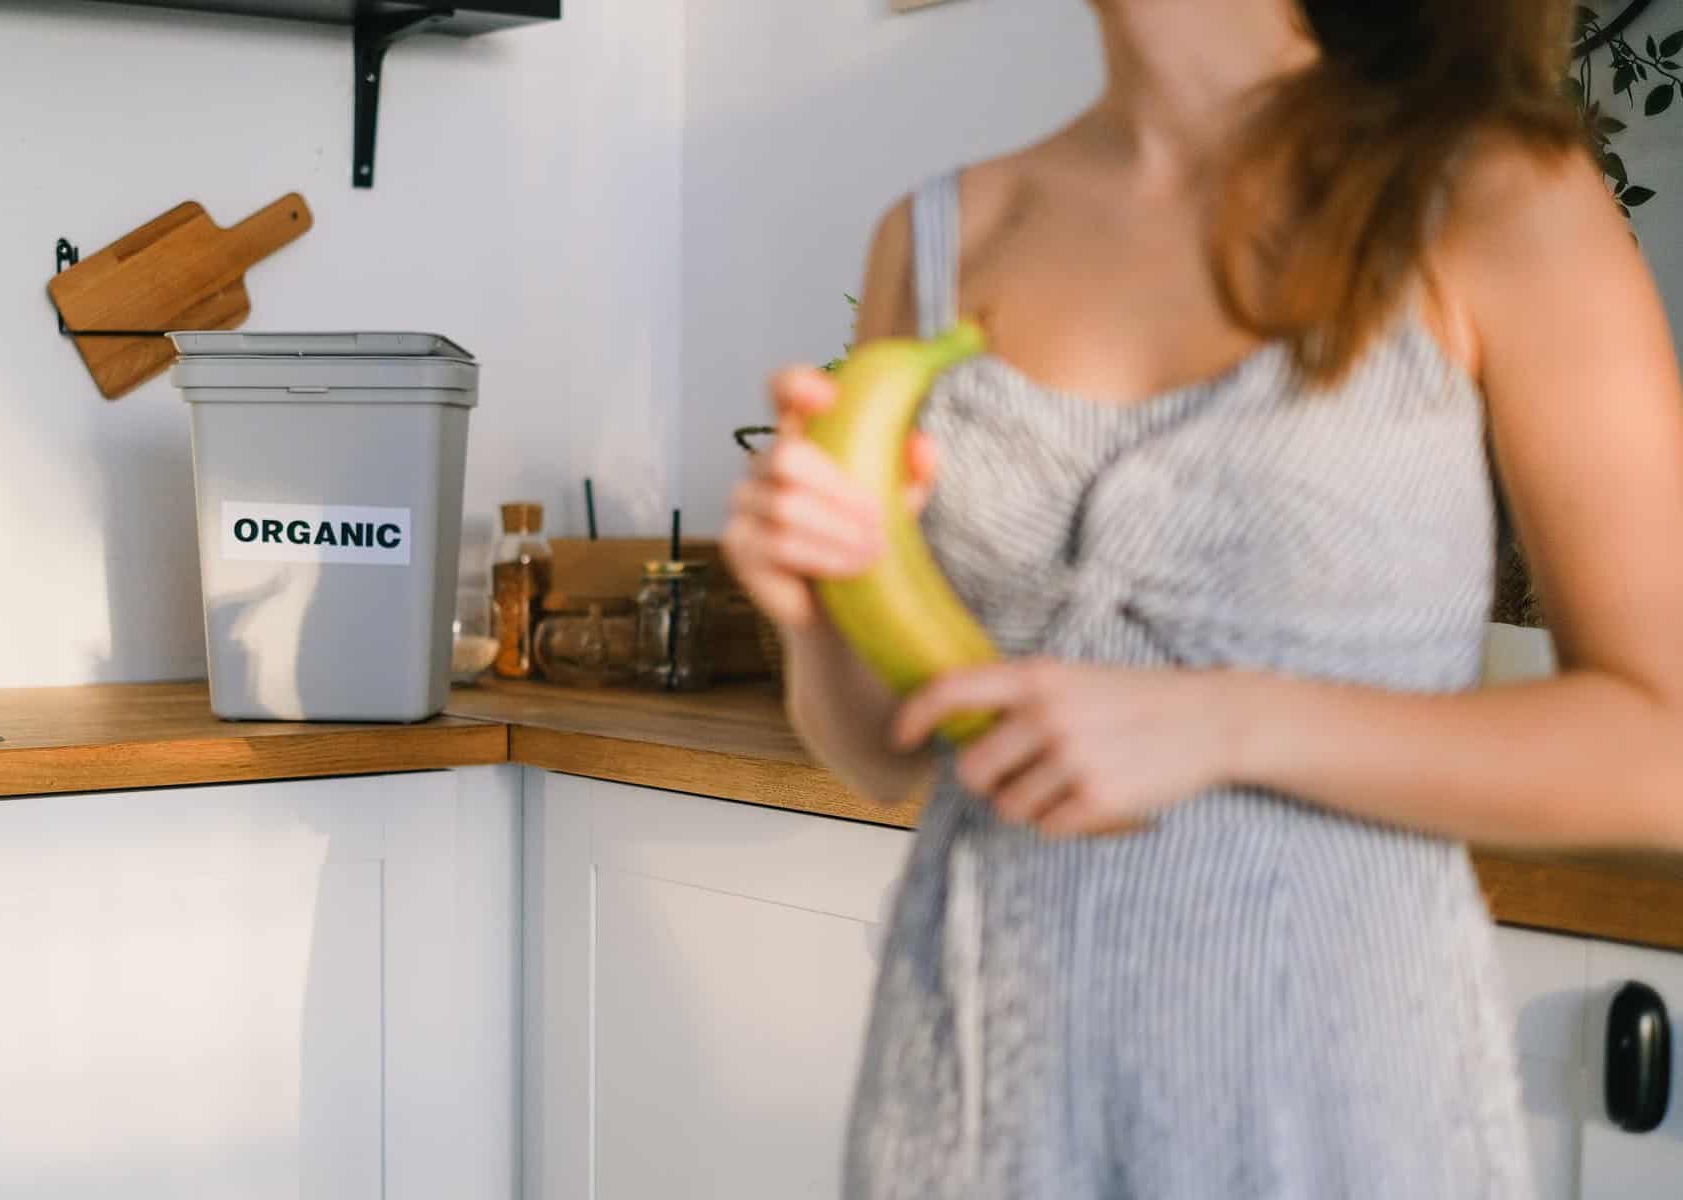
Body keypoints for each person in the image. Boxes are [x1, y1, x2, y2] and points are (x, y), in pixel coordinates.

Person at [721, 1, 1683, 1196]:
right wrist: (814, 604)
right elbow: (882, 754)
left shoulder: (1492, 198)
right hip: (979, 1098)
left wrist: (1228, 721)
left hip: (1341, 1103)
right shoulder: (943, 235)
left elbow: (1664, 755)